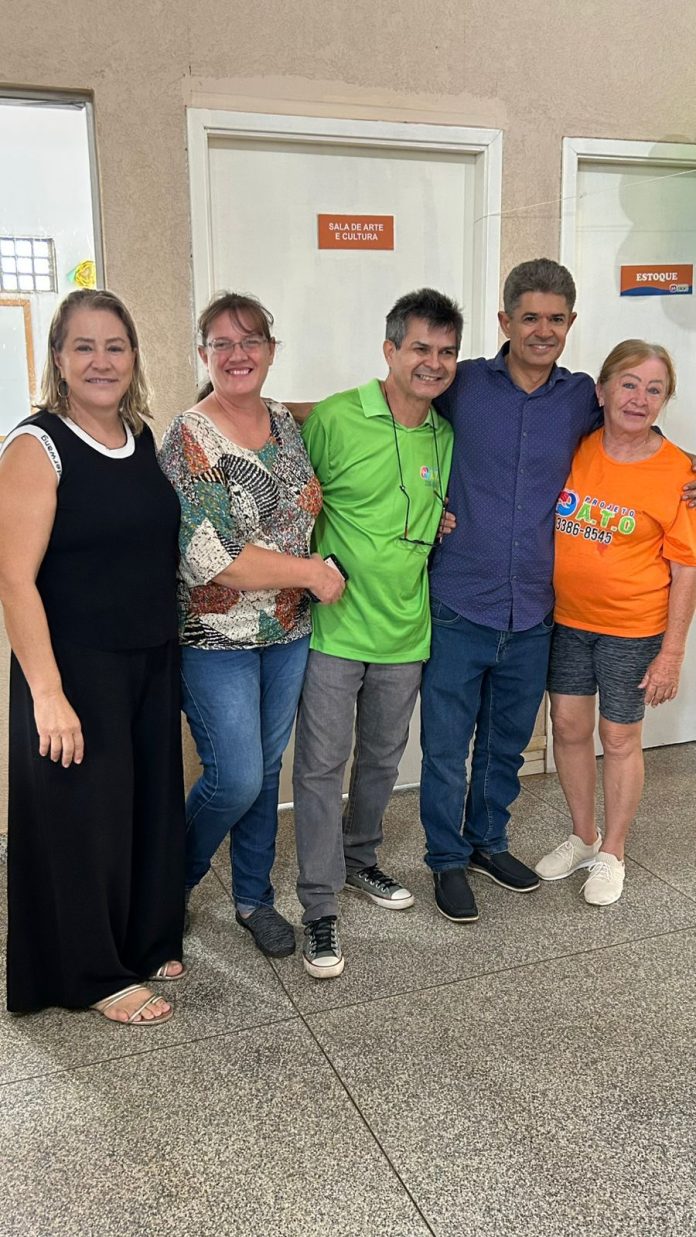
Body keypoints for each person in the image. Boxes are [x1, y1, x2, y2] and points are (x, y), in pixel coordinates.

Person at [419, 259, 696, 925]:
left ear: (571, 323)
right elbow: (401, 416)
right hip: (462, 599)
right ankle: (447, 858)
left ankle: (488, 842)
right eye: (530, 317)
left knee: (507, 742)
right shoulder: (462, 383)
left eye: (555, 318)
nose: (542, 330)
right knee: (447, 743)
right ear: (505, 321)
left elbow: (643, 437)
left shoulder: (579, 399)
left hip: (536, 613)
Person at [0, 289, 185, 1026]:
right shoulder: (36, 445)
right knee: (85, 817)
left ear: (133, 356)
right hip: (74, 666)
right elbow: (14, 579)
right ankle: (91, 972)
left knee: (142, 806)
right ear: (58, 358)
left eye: (115, 346)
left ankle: (141, 938)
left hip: (149, 657)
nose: (101, 361)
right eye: (84, 346)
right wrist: (47, 693)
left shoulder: (138, 434)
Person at [159, 292, 344, 960]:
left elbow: (329, 424)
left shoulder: (284, 421)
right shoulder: (188, 437)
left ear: (270, 350)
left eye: (251, 341)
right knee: (235, 776)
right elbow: (213, 559)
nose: (238, 354)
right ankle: (168, 882)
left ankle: (253, 899)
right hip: (217, 639)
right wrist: (312, 572)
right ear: (202, 354)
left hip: (287, 633)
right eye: (223, 343)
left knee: (265, 772)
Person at [293, 288, 459, 979]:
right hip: (335, 632)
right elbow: (291, 499)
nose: (433, 362)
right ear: (390, 350)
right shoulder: (336, 417)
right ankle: (319, 904)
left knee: (383, 762)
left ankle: (361, 857)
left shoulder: (444, 436)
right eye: (419, 347)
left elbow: (425, 508)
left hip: (406, 633)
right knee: (320, 767)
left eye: (446, 351)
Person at [535, 341, 696, 904]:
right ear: (601, 391)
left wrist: (672, 653)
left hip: (633, 628)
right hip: (566, 621)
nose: (639, 399)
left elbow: (686, 568)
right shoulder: (575, 448)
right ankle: (584, 836)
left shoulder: (678, 473)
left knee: (620, 736)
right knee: (568, 728)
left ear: (665, 401)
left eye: (654, 389)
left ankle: (614, 852)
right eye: (629, 384)